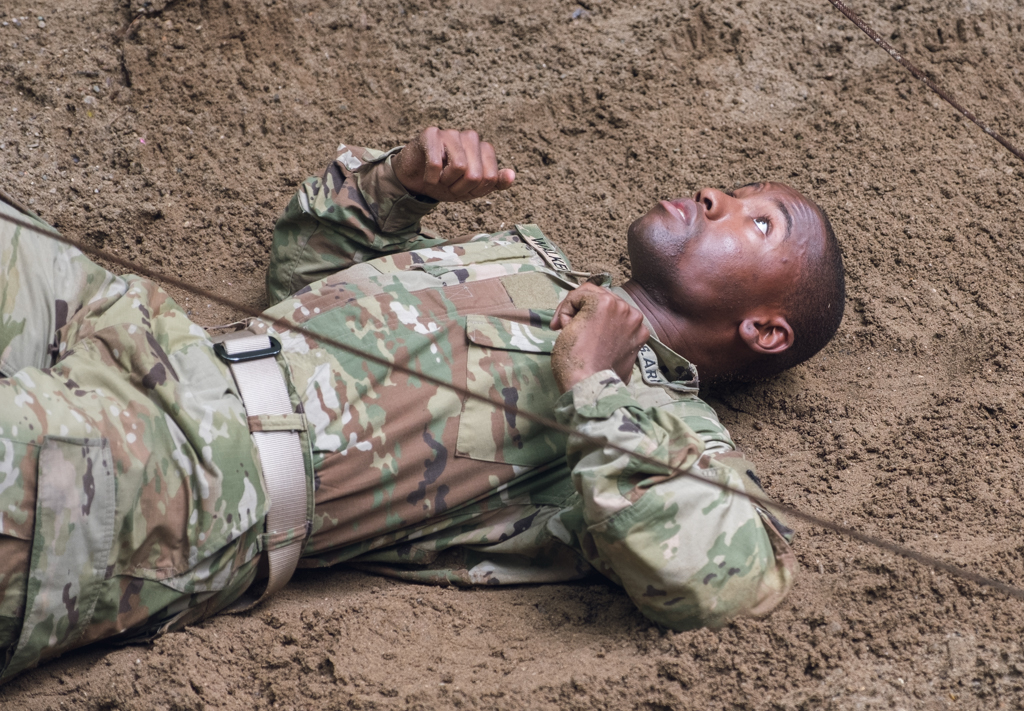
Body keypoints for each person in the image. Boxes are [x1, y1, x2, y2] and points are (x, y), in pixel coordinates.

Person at [0, 127, 844, 683]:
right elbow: (307, 284)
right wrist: (398, 186)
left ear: (765, 331)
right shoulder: (535, 266)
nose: (713, 196)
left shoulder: (664, 421)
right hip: (145, 337)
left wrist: (599, 385)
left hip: (191, 475)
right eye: (733, 188)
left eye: (758, 221)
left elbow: (725, 581)